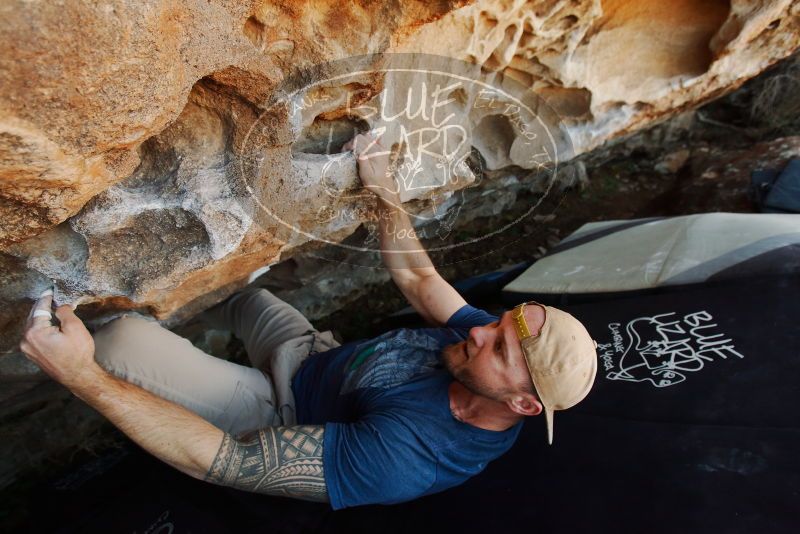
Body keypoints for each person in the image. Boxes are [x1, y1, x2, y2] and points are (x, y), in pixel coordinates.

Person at [18, 133, 597, 510]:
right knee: (242, 295)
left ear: (524, 404)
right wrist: (384, 191)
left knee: (119, 341)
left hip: (276, 412)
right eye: (497, 323)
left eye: (497, 350)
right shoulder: (479, 347)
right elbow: (422, 280)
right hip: (315, 356)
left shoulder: (408, 457)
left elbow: (225, 460)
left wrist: (81, 378)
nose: (476, 330)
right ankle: (188, 350)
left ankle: (155, 364)